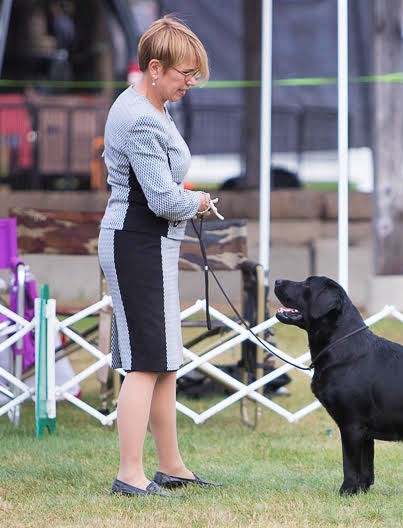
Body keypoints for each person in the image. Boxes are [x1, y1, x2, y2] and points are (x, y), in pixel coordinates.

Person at [98, 15, 220, 497]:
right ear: (154, 67)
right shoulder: (141, 118)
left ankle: (172, 466)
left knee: (165, 361)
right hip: (135, 244)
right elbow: (164, 199)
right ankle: (130, 474)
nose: (189, 83)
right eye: (183, 75)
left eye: (193, 76)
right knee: (144, 363)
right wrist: (202, 201)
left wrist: (186, 198)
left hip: (153, 244)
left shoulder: (153, 106)